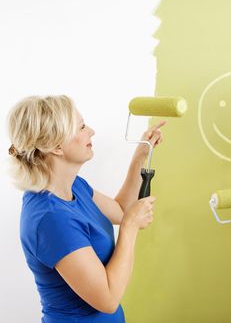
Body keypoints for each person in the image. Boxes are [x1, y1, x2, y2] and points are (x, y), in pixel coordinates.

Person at [7, 95, 165, 322]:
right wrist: (130, 228)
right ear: (55, 146)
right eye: (81, 127)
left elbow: (120, 210)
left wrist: (141, 155)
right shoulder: (51, 219)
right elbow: (108, 299)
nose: (91, 131)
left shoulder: (74, 187)